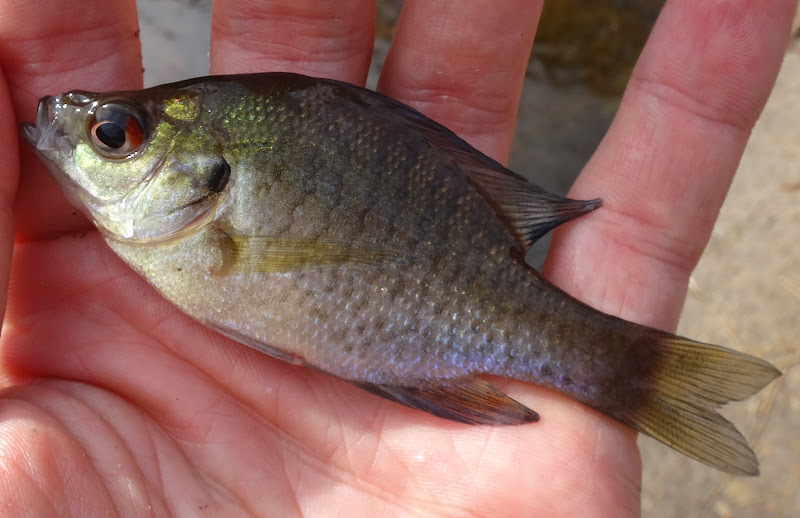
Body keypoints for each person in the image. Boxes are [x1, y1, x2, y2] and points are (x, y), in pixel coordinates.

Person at [0, 0, 794, 515]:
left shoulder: (194, 216)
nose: (76, 130)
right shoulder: (179, 226)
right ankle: (636, 375)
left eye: (115, 135)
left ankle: (628, 370)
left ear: (207, 175)